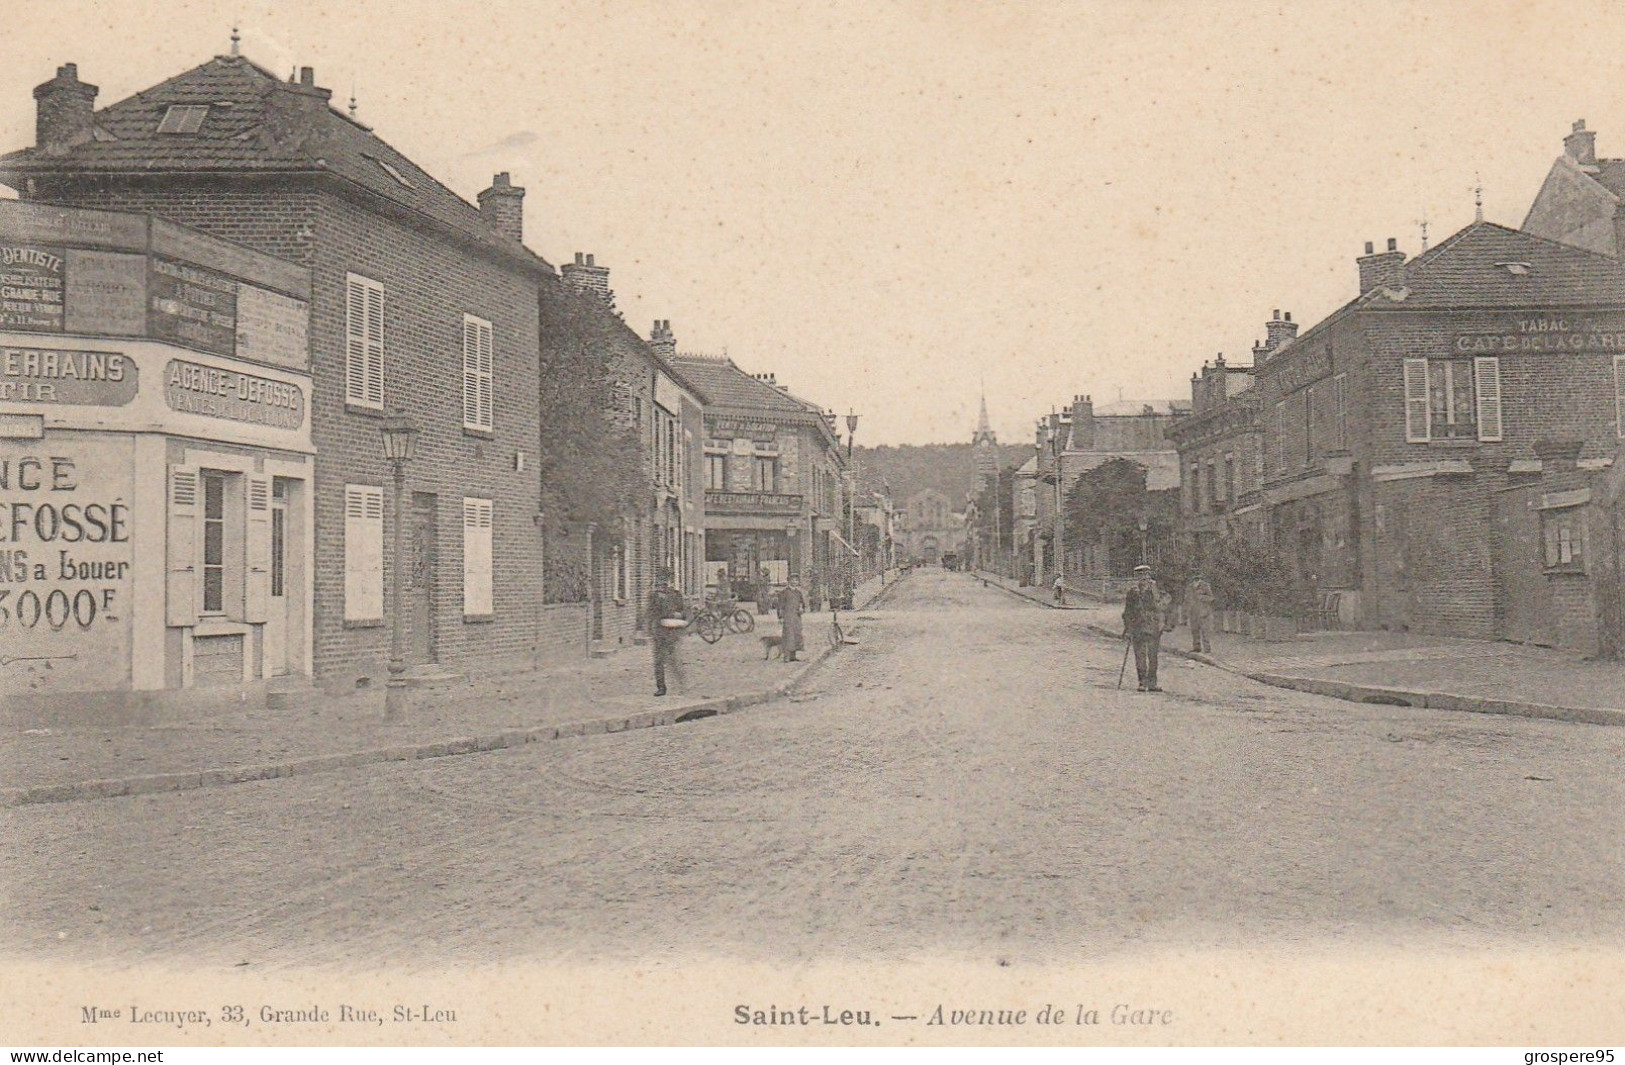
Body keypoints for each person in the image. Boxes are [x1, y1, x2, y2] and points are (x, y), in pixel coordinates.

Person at [1122, 564, 1167, 692]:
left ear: (1149, 575)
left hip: (1153, 626)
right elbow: (1127, 612)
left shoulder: (1156, 589)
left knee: (1153, 656)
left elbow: (1166, 601)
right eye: (1140, 576)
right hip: (1138, 626)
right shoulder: (1132, 592)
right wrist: (1128, 629)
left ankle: (1152, 683)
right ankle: (1142, 682)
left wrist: (1162, 615)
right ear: (1137, 577)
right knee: (1140, 655)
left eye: (1146, 575)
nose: (1144, 578)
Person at [647, 567, 687, 697]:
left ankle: (680, 685)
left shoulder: (676, 595)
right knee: (659, 661)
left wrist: (678, 615)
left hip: (672, 632)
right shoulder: (654, 595)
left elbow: (683, 612)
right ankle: (661, 687)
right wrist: (650, 628)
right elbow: (651, 613)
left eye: (665, 579)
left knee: (674, 660)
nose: (662, 582)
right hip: (659, 631)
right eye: (660, 579)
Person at [776, 579, 806, 662]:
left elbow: (802, 604)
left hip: (797, 616)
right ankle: (786, 656)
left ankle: (793, 656)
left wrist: (802, 609)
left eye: (796, 580)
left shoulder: (798, 593)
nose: (794, 582)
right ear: (789, 582)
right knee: (788, 635)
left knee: (796, 634)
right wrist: (780, 617)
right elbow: (780, 606)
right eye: (792, 580)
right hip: (788, 616)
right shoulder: (784, 592)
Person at [1187, 571, 1215, 654]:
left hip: (1203, 612)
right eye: (1193, 575)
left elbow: (1211, 598)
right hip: (1193, 611)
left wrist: (1202, 597)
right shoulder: (1190, 586)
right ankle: (1196, 647)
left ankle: (1207, 649)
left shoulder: (1205, 585)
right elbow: (1187, 599)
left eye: (1197, 575)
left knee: (1205, 631)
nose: (1195, 577)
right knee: (1194, 630)